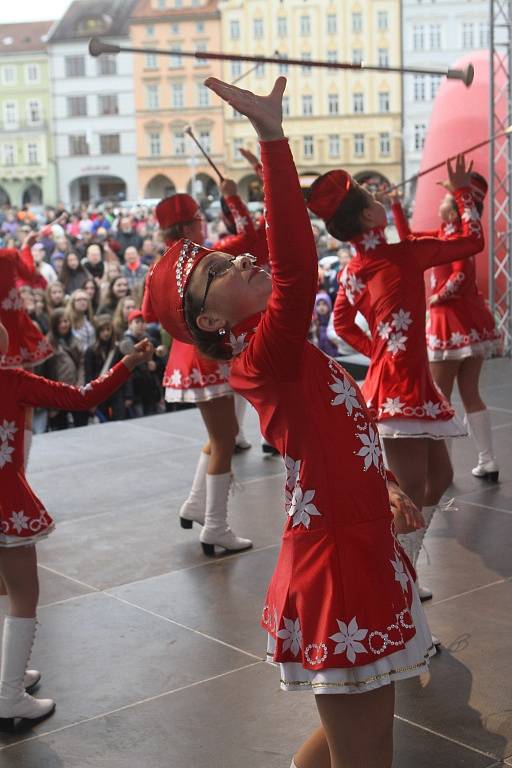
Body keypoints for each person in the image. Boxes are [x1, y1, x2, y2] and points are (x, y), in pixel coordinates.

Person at [145, 75, 437, 768]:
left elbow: (339, 439)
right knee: (368, 752)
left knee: (354, 744)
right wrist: (274, 141)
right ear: (212, 322)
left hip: (355, 548)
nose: (240, 257)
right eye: (218, 268)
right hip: (339, 570)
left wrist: (387, 487)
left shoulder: (280, 355)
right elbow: (295, 266)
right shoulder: (264, 356)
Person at [309, 157, 484, 603]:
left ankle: (400, 566)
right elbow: (471, 240)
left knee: (440, 476)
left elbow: (342, 327)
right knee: (408, 493)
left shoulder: (359, 267)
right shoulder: (405, 254)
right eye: (373, 200)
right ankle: (398, 585)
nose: (381, 202)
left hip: (407, 383)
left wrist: (378, 352)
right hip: (398, 390)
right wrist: (463, 193)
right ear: (369, 216)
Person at [0, 316, 153, 728]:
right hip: (5, 505)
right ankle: (9, 696)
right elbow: (84, 397)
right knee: (23, 595)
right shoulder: (13, 381)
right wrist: (127, 365)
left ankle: (7, 678)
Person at [143, 180, 268, 555]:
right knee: (225, 441)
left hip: (187, 360)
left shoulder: (159, 269)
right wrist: (233, 195)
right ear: (186, 229)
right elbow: (255, 238)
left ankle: (197, 504)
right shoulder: (206, 263)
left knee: (220, 437)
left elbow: (150, 313)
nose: (203, 224)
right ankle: (215, 526)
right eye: (198, 218)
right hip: (209, 360)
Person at [391, 174, 501, 481]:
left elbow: (460, 274)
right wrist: (397, 206)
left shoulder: (451, 238)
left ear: (453, 212)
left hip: (448, 323)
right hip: (471, 322)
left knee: (441, 398)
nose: (439, 202)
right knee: (469, 393)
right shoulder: (448, 234)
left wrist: (439, 297)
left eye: (444, 200)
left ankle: (445, 471)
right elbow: (408, 238)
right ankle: (487, 460)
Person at [43, 309, 87, 430]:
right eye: (60, 322)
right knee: (60, 429)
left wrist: (80, 384)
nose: (64, 324)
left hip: (75, 391)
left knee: (81, 426)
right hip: (58, 393)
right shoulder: (47, 344)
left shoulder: (77, 341)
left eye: (66, 321)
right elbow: (44, 371)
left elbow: (82, 365)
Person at [118, 310, 164, 417]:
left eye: (143, 322)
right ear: (130, 324)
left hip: (150, 390)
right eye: (137, 322)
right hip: (135, 391)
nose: (141, 325)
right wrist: (128, 395)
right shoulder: (126, 342)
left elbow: (161, 359)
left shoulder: (150, 340)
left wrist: (155, 364)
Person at [84, 315, 125, 421]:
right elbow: (89, 375)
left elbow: (125, 372)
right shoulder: (91, 351)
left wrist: (128, 395)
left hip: (116, 390)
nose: (106, 333)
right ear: (97, 332)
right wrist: (91, 398)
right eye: (102, 330)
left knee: (119, 421)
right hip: (99, 392)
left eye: (108, 329)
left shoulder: (117, 349)